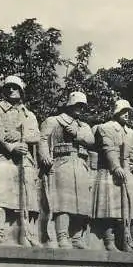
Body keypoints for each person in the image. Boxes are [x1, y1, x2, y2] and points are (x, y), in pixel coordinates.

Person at [0, 75, 40, 246]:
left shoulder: (29, 114)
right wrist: (13, 145)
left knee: (28, 197)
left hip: (26, 159)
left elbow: (36, 135)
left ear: (21, 91)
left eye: (14, 87)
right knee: (0, 194)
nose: (10, 90)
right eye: (7, 87)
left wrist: (20, 135)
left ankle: (28, 233)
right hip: (3, 156)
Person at [92, 99, 133, 251]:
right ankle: (109, 241)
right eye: (124, 111)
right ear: (116, 112)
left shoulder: (131, 132)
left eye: (128, 112)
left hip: (128, 172)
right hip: (110, 171)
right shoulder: (106, 127)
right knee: (111, 208)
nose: (127, 115)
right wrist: (116, 166)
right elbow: (108, 148)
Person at [39, 92, 94, 249]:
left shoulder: (84, 126)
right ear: (69, 104)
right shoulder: (54, 120)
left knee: (82, 202)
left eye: (83, 106)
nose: (81, 108)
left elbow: (91, 140)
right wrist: (44, 156)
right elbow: (42, 139)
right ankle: (62, 235)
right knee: (64, 201)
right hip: (61, 161)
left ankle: (76, 236)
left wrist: (76, 134)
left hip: (81, 164)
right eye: (78, 105)